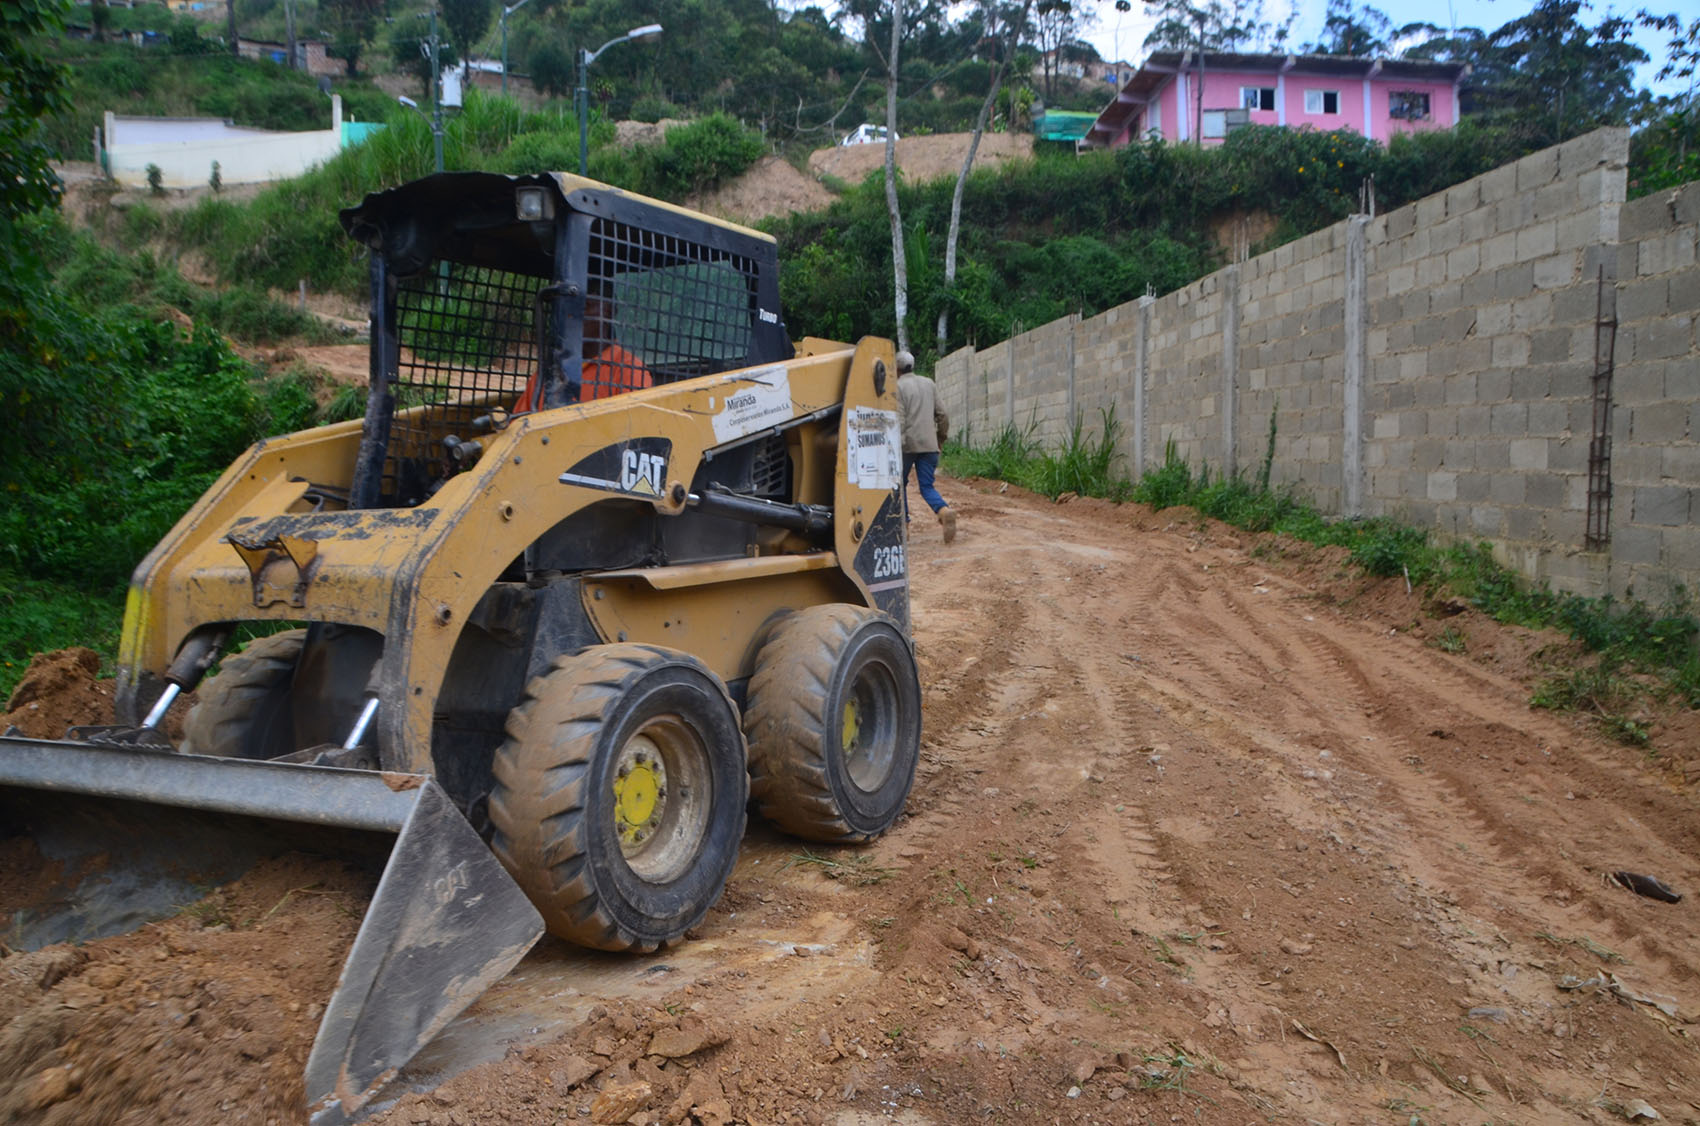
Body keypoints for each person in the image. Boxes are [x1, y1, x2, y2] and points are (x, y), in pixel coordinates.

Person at [515, 296, 651, 413]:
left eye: (584, 306)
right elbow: (518, 428)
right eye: (567, 307)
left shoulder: (629, 370)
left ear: (608, 311)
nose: (572, 315)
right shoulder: (545, 374)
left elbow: (634, 436)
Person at [896, 350, 956, 543]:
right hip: (930, 445)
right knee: (927, 486)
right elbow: (943, 414)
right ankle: (943, 510)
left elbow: (900, 420)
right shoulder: (929, 383)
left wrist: (898, 446)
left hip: (907, 446)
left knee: (899, 485)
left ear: (896, 369)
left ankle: (903, 527)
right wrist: (941, 438)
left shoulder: (897, 387)